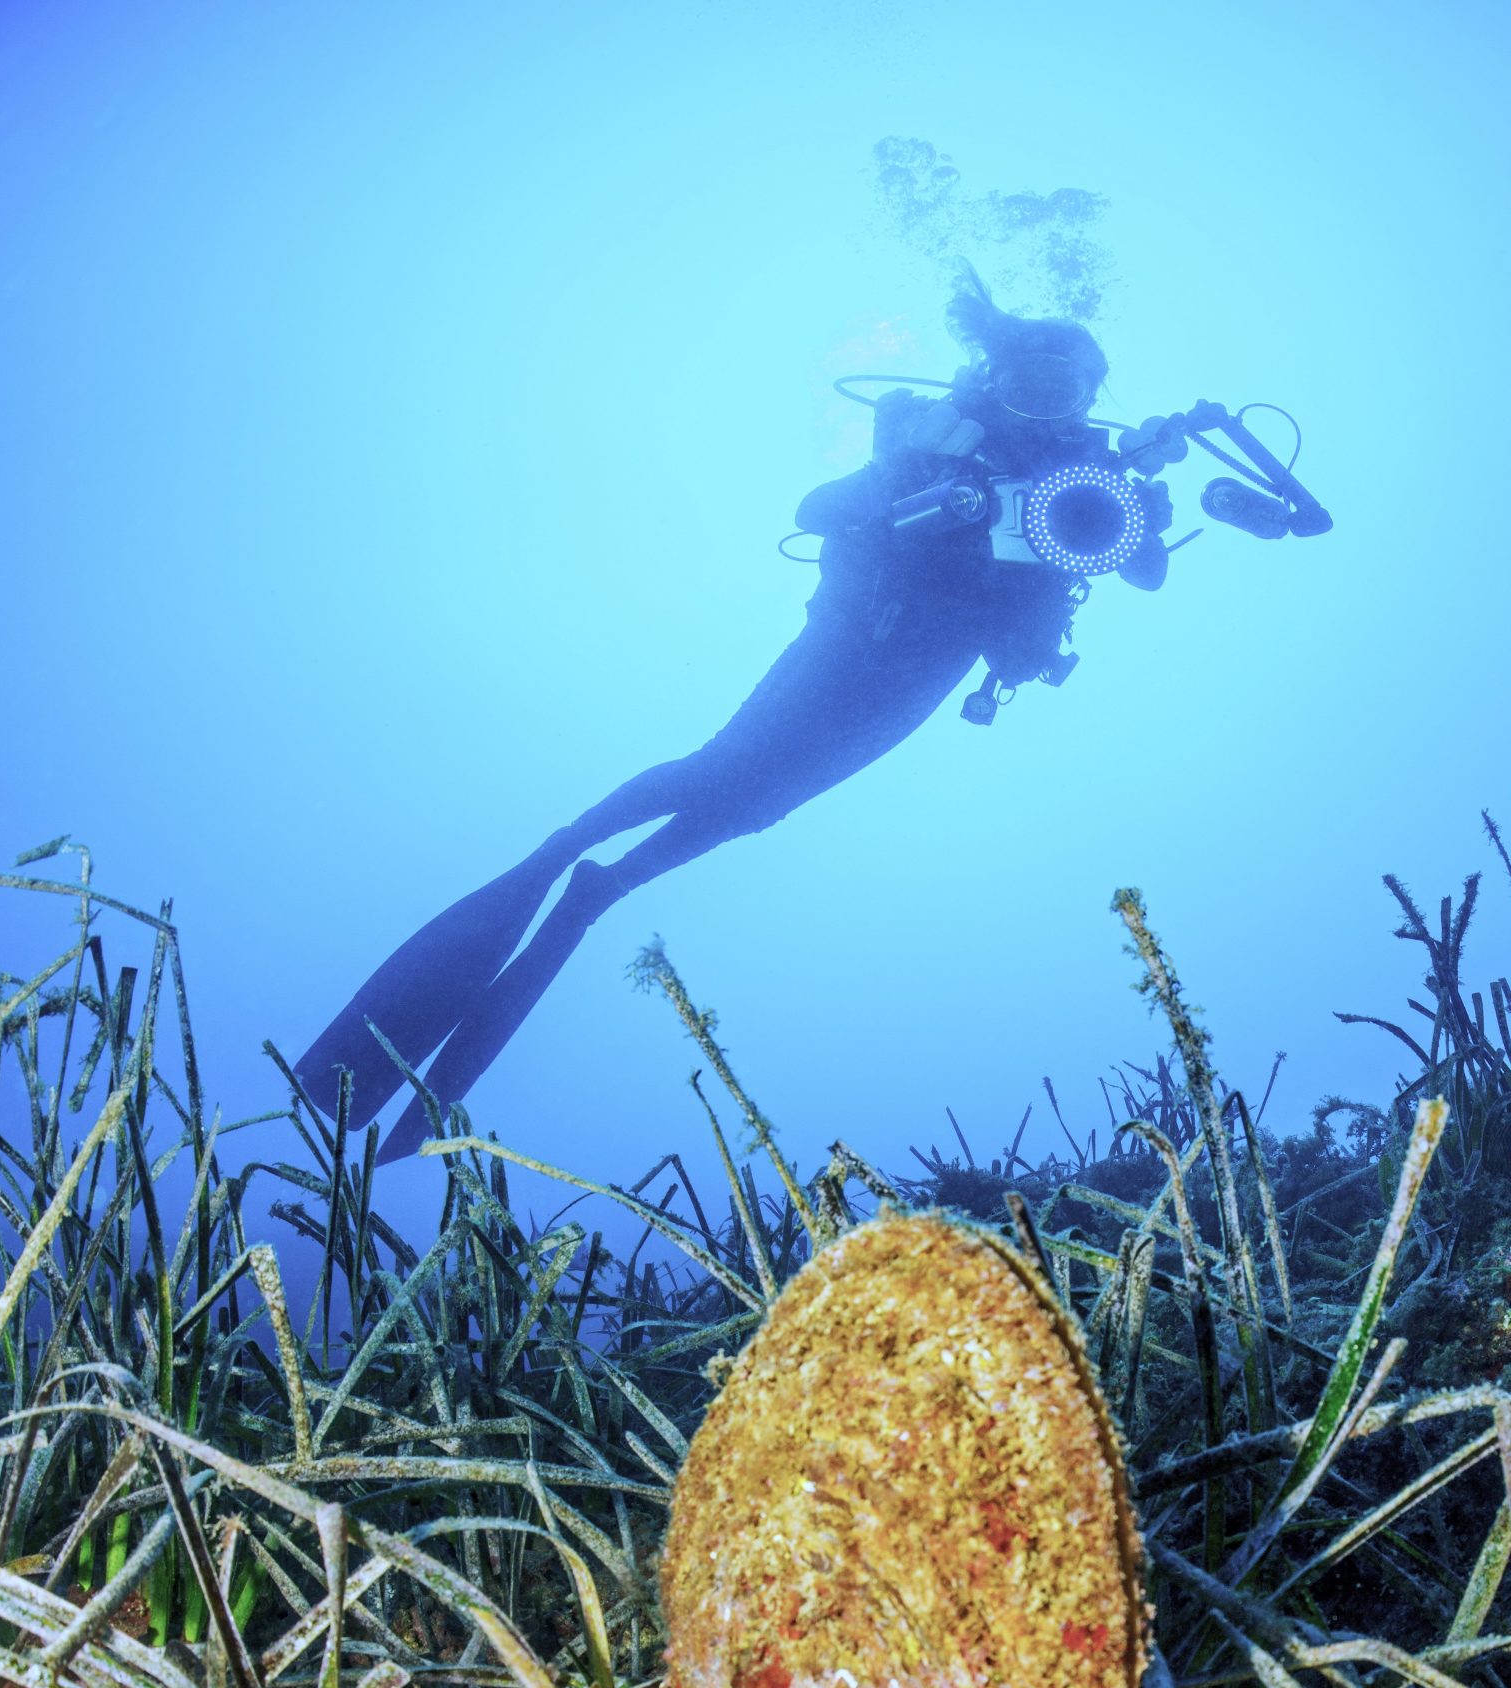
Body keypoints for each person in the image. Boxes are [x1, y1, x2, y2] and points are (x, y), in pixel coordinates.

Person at [295, 272, 1176, 1159]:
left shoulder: (1096, 480)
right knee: (720, 772)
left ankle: (598, 893)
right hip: (845, 647)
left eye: (1075, 390)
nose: (1053, 408)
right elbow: (815, 511)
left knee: (756, 807)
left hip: (916, 685)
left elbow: (1125, 581)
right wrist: (927, 502)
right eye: (1036, 382)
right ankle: (569, 849)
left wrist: (1133, 521)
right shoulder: (934, 436)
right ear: (996, 373)